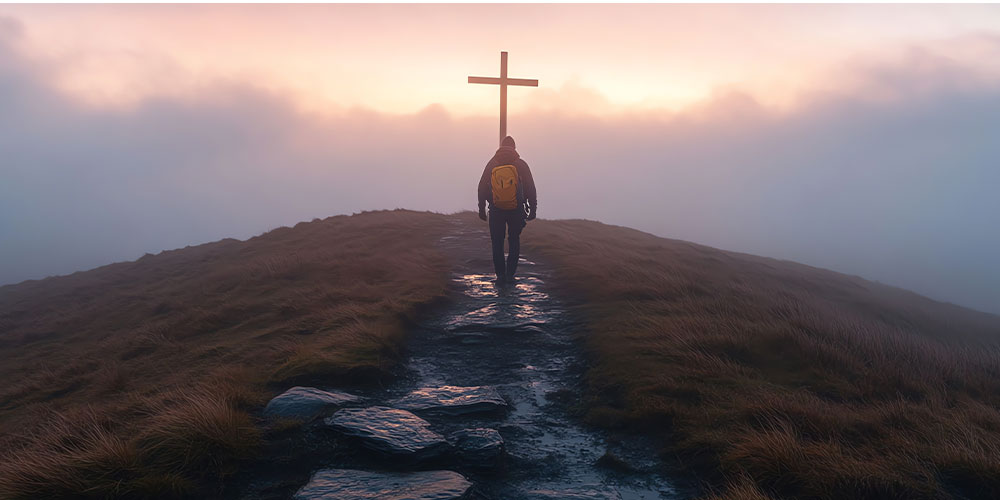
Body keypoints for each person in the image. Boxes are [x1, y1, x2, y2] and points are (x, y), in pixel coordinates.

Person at [477, 135, 537, 285]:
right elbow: (530, 188)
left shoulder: (492, 164)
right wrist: (533, 209)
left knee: (497, 242)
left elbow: (482, 187)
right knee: (514, 240)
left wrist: (482, 209)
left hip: (496, 209)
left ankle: (500, 276)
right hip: (516, 209)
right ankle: (510, 275)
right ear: (514, 148)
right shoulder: (521, 164)